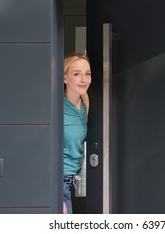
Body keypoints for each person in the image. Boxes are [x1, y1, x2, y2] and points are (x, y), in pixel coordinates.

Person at [63, 53, 91, 214]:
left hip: (71, 180)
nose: (84, 79)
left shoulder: (85, 103)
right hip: (59, 182)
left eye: (87, 74)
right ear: (65, 78)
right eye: (76, 74)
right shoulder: (58, 108)